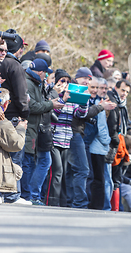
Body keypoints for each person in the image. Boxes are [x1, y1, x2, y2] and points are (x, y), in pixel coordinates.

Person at [68, 67, 115, 209]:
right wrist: (100, 107)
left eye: (90, 81)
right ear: (77, 78)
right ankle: (79, 202)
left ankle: (77, 202)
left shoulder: (85, 94)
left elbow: (82, 113)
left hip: (80, 135)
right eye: (87, 81)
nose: (89, 85)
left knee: (81, 172)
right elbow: (81, 114)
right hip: (76, 135)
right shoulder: (75, 90)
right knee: (83, 171)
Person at [24, 59, 63, 205]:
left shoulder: (36, 83)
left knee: (33, 162)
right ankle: (29, 196)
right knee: (28, 162)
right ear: (40, 72)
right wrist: (51, 104)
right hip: (30, 128)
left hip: (37, 129)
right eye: (46, 73)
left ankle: (31, 195)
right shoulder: (29, 83)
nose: (46, 76)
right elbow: (33, 106)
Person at [0, 29, 30, 204]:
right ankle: (11, 195)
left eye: (4, 50)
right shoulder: (14, 65)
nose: (3, 53)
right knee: (13, 154)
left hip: (5, 113)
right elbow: (21, 95)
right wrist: (24, 116)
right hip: (11, 117)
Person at [46, 69, 73, 206]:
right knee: (56, 172)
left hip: (66, 139)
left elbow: (80, 114)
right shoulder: (53, 94)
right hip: (54, 138)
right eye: (62, 81)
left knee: (63, 173)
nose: (65, 84)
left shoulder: (71, 97)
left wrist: (83, 102)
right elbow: (52, 113)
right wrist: (63, 99)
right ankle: (52, 201)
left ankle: (62, 202)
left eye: (68, 82)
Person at [85, 77, 112, 210]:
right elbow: (101, 128)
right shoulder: (98, 104)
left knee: (98, 178)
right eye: (98, 87)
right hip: (97, 147)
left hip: (97, 147)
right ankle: (97, 207)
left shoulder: (98, 102)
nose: (100, 90)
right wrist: (108, 141)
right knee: (99, 179)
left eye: (103, 88)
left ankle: (97, 206)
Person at [0, 88, 28, 204]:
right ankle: (11, 196)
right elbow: (16, 144)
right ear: (6, 104)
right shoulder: (2, 123)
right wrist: (21, 128)